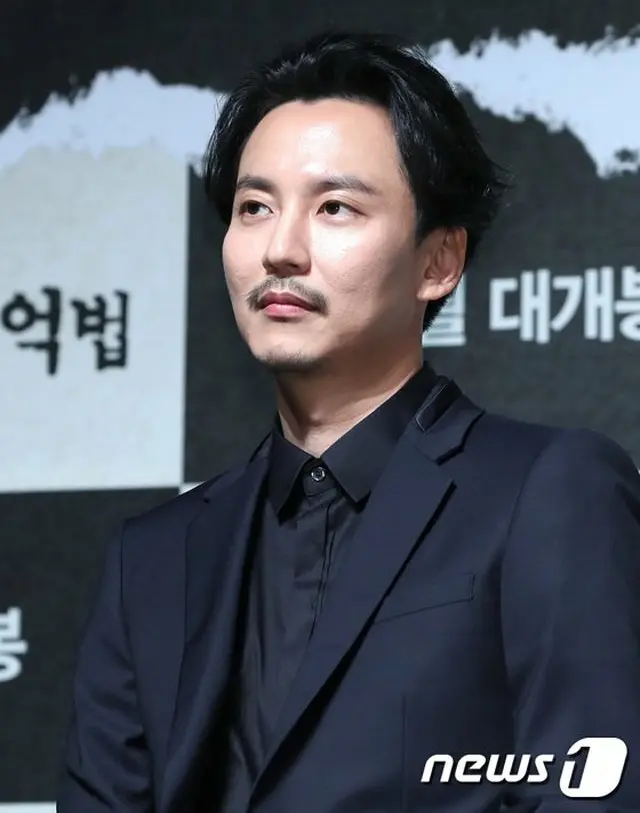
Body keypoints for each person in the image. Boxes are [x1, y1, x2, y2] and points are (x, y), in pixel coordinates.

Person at [58, 30, 640, 813]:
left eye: (335, 207)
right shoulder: (153, 557)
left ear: (438, 261)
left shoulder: (549, 491)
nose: (281, 249)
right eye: (254, 207)